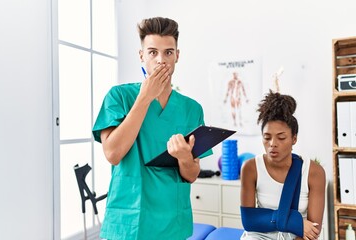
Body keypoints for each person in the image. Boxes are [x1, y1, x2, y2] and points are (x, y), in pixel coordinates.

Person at [92, 17, 211, 240]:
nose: (161, 60)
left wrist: (185, 157)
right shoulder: (119, 97)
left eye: (168, 52)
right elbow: (113, 153)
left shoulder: (191, 109)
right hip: (130, 221)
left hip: (172, 221)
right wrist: (145, 98)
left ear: (177, 55)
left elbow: (192, 174)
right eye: (153, 52)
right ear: (142, 55)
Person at [240, 90, 326, 240]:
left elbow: (313, 230)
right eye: (267, 137)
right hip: (259, 235)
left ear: (294, 139)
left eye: (281, 138)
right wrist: (294, 222)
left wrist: (293, 227)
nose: (272, 144)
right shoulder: (251, 168)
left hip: (298, 236)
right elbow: (249, 221)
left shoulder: (313, 172)